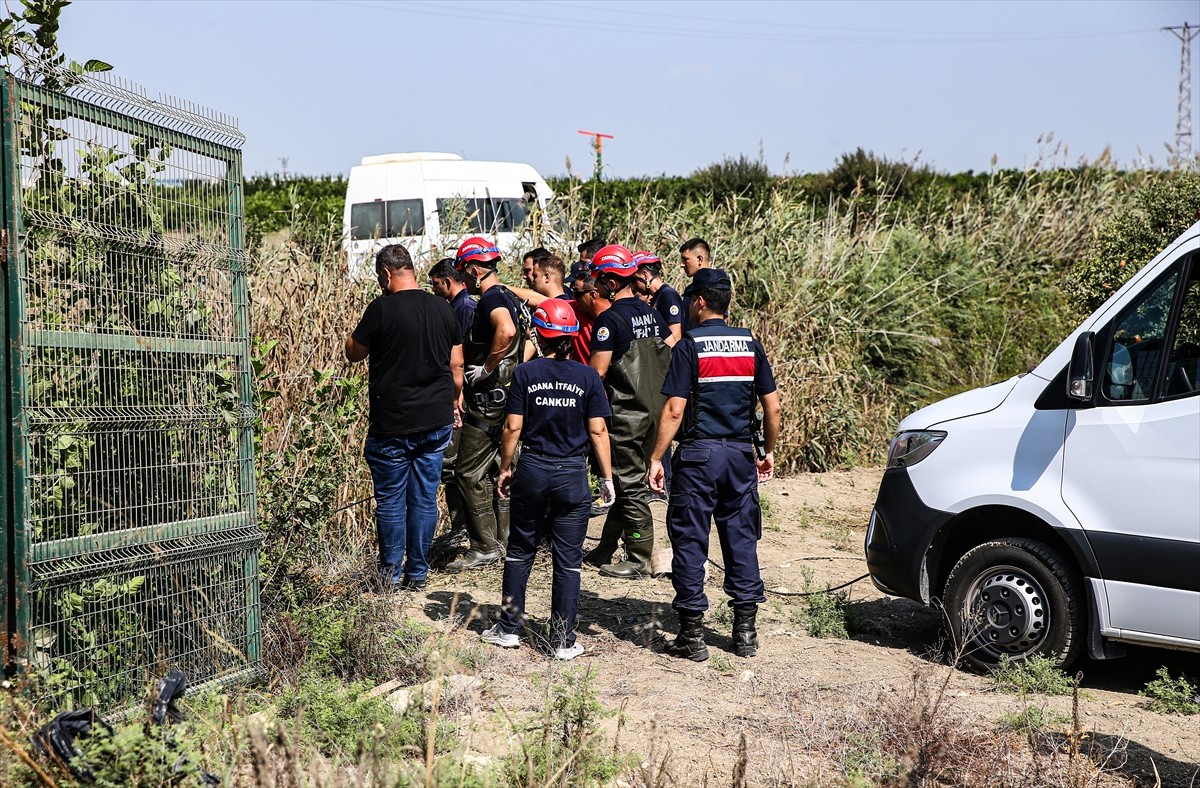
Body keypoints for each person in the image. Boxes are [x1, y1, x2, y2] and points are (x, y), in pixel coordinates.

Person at [648, 268, 782, 661]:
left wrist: (656, 457)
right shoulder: (750, 344)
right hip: (740, 456)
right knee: (741, 539)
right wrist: (767, 451)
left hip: (698, 456)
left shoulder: (689, 346)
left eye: (691, 299)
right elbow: (772, 407)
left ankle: (692, 635)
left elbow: (674, 409)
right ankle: (744, 633)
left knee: (690, 540)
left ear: (700, 301)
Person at [482, 300, 615, 660]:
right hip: (572, 475)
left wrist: (506, 467)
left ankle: (509, 629)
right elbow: (598, 430)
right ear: (572, 336)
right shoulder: (587, 376)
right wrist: (606, 477)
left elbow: (512, 426)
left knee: (520, 549)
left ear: (540, 334)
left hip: (534, 471)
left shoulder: (525, 373)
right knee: (568, 560)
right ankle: (562, 640)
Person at [344, 244, 464, 591]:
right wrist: (455, 403)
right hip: (436, 419)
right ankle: (418, 573)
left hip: (393, 423)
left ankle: (390, 574)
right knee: (425, 497)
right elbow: (457, 365)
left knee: (392, 500)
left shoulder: (381, 309)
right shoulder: (443, 308)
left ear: (386, 274)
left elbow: (353, 352)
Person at [584, 244, 674, 579]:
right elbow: (671, 348)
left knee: (629, 484)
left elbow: (597, 373)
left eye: (598, 278)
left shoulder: (609, 319)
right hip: (657, 411)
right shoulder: (649, 312)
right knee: (628, 483)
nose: (595, 283)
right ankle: (606, 547)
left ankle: (637, 556)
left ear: (609, 280)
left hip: (626, 414)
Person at [445, 235, 525, 573]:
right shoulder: (508, 295)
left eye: (465, 272)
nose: (464, 279)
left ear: (476, 269)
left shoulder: (492, 298)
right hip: (509, 395)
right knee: (498, 468)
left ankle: (483, 547)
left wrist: (487, 367)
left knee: (466, 471)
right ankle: (504, 539)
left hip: (490, 397)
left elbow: (505, 332)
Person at [428, 257, 476, 541]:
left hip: (462, 395)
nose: (433, 290)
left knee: (453, 463)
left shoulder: (464, 309)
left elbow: (460, 359)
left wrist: (457, 398)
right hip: (460, 392)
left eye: (435, 284)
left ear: (447, 281)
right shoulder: (457, 307)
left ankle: (461, 527)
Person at [634, 250, 683, 502]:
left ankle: (665, 489)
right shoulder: (658, 297)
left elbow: (675, 339)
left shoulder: (668, 296)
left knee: (662, 426)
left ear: (645, 274)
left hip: (667, 371)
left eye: (635, 279)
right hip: (660, 371)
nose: (634, 285)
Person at [568, 273, 610, 366]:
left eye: (577, 293)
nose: (574, 297)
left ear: (592, 295)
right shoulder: (574, 309)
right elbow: (543, 301)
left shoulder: (617, 318)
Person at [678, 237, 712, 334]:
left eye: (685, 259)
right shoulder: (689, 290)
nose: (682, 265)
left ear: (700, 259)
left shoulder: (716, 287)